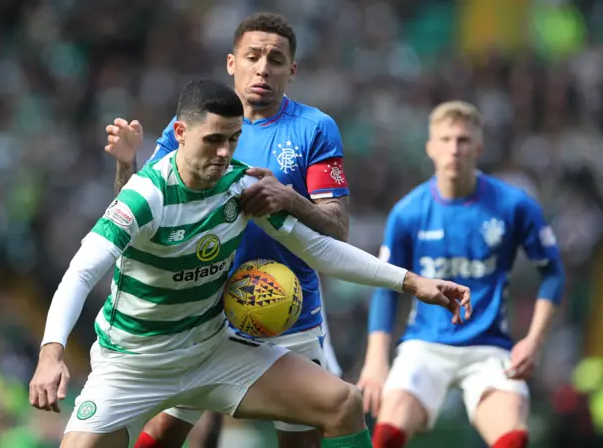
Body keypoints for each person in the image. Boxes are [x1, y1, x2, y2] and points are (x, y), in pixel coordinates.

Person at [28, 78, 471, 448]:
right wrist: (52, 354)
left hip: (211, 350)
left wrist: (414, 283)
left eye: (233, 140)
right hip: (132, 365)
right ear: (180, 133)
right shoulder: (145, 195)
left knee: (343, 403)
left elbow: (318, 249)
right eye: (213, 140)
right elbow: (81, 272)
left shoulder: (240, 187)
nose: (225, 153)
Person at [106, 12, 347, 448]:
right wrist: (127, 166)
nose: (263, 68)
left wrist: (288, 198)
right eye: (253, 56)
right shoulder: (194, 126)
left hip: (286, 309)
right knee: (163, 434)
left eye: (276, 59)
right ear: (231, 62)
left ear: (292, 70)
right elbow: (139, 206)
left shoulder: (316, 128)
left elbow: (338, 226)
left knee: (302, 441)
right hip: (206, 309)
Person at [356, 101, 565, 448]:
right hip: (424, 344)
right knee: (387, 434)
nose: (455, 148)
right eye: (446, 139)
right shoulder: (407, 212)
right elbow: (385, 287)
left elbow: (553, 272)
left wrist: (534, 340)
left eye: (464, 140)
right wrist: (376, 360)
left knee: (513, 437)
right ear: (430, 147)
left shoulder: (514, 205)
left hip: (489, 347)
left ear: (479, 147)